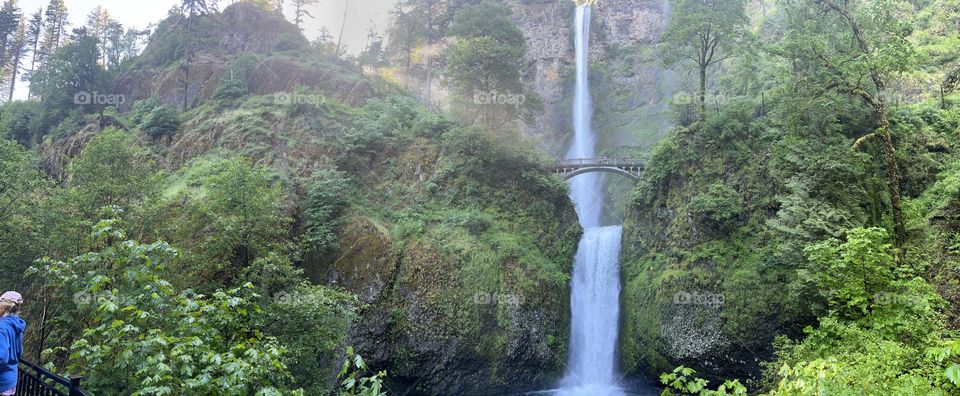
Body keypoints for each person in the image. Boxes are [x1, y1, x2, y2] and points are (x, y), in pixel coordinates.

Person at [0, 291, 25, 396]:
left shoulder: (2, 327)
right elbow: (19, 353)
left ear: (4, 307)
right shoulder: (17, 325)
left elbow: (1, 358)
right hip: (11, 379)